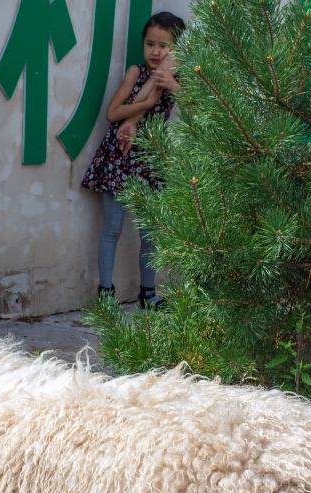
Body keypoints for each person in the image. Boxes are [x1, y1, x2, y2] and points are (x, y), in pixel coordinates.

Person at [81, 11, 185, 310]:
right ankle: (105, 292)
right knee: (112, 228)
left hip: (151, 160)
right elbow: (113, 114)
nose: (156, 51)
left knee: (150, 234)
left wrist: (173, 84)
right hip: (121, 157)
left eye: (164, 46)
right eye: (150, 43)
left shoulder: (176, 76)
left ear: (176, 51)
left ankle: (148, 294)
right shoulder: (135, 73)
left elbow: (198, 102)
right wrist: (149, 101)